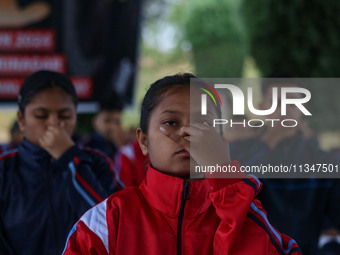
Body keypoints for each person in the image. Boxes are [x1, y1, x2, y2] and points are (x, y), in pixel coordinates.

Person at [63, 73, 301, 255]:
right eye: (171, 122)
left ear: (220, 141)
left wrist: (225, 177)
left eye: (203, 123)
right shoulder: (104, 223)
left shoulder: (244, 211)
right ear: (143, 140)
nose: (188, 132)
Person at [0, 70, 122, 255]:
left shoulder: (96, 163)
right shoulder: (4, 170)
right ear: (22, 120)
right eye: (41, 115)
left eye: (65, 116)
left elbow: (113, 225)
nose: (54, 124)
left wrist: (69, 157)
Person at [230, 76, 340, 255]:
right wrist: (270, 139)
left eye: (293, 102)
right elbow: (230, 193)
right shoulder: (238, 152)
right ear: (261, 107)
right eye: (276, 102)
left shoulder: (323, 162)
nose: (284, 110)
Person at [78, 93, 127, 160]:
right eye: (107, 121)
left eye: (117, 122)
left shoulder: (124, 146)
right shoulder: (85, 147)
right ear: (95, 121)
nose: (112, 127)